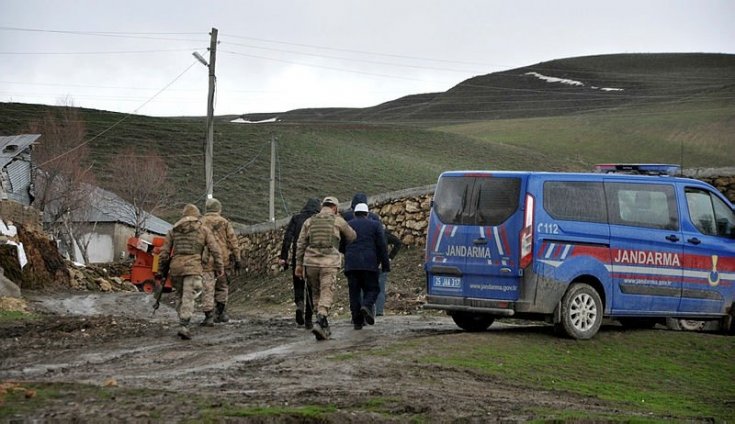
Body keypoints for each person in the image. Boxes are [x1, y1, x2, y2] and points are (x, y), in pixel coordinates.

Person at [158, 204, 224, 340]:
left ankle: (182, 320)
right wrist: (219, 267)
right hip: (193, 267)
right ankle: (184, 324)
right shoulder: (203, 230)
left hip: (176, 268)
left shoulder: (173, 230)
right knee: (189, 295)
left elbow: (164, 253)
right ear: (197, 215)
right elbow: (215, 250)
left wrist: (161, 270)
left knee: (180, 295)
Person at [295, 196, 356, 341]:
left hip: (310, 263)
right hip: (329, 263)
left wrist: (298, 265)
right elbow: (352, 236)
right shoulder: (337, 220)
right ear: (335, 207)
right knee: (327, 291)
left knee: (316, 292)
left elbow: (300, 243)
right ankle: (321, 318)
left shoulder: (309, 221)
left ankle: (322, 325)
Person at [345, 203, 390, 330]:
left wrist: (347, 255)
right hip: (369, 263)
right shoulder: (375, 225)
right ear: (367, 213)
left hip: (352, 264)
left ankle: (357, 322)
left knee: (354, 293)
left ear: (355, 213)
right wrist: (385, 264)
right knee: (373, 289)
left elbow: (342, 244)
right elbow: (382, 245)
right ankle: (367, 305)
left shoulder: (348, 224)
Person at [279, 197, 321, 329]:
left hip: (298, 256)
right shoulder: (318, 220)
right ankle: (308, 320)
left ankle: (299, 304)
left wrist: (283, 257)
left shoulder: (296, 218)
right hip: (313, 257)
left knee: (298, 284)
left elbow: (287, 238)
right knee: (310, 287)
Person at [200, 197, 242, 326]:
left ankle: (208, 316)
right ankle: (221, 312)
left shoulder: (200, 222)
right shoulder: (224, 222)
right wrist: (238, 257)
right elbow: (233, 241)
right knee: (222, 286)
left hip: (206, 259)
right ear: (219, 208)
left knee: (208, 287)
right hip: (223, 259)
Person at [376, 229, 402, 316]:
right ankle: (379, 311)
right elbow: (398, 242)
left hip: (370, 264)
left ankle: (369, 309)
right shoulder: (384, 233)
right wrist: (390, 257)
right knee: (381, 288)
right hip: (382, 263)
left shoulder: (368, 232)